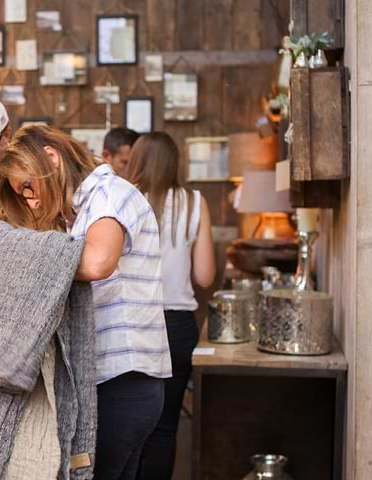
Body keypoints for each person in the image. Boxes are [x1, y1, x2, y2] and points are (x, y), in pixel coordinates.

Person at [0, 124, 172, 480]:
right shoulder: (80, 211)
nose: (31, 200)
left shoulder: (109, 193)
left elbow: (96, 262)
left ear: (51, 157)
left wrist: (21, 255)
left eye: (28, 185)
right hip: (120, 384)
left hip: (122, 384)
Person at [125, 132, 216, 480]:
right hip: (178, 327)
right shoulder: (196, 202)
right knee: (165, 430)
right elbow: (205, 276)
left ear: (136, 160)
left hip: (132, 324)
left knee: (128, 425)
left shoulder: (125, 199)